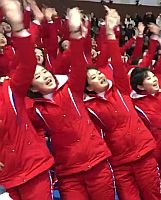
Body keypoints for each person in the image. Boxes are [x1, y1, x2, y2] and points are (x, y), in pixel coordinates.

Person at [26, 7, 114, 200]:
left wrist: (75, 32)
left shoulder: (71, 89)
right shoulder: (35, 110)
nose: (45, 76)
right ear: (32, 88)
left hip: (97, 162)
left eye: (45, 72)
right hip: (68, 171)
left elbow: (78, 61)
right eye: (38, 77)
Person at [84, 6, 161, 200]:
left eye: (99, 73)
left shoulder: (121, 88)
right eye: (93, 77)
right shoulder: (88, 107)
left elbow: (117, 62)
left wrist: (111, 32)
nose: (100, 75)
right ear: (89, 88)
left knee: (153, 196)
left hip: (143, 153)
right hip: (119, 161)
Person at [0, 0, 54, 199]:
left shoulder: (9, 88)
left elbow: (28, 61)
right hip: (9, 174)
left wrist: (18, 25)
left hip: (33, 168)